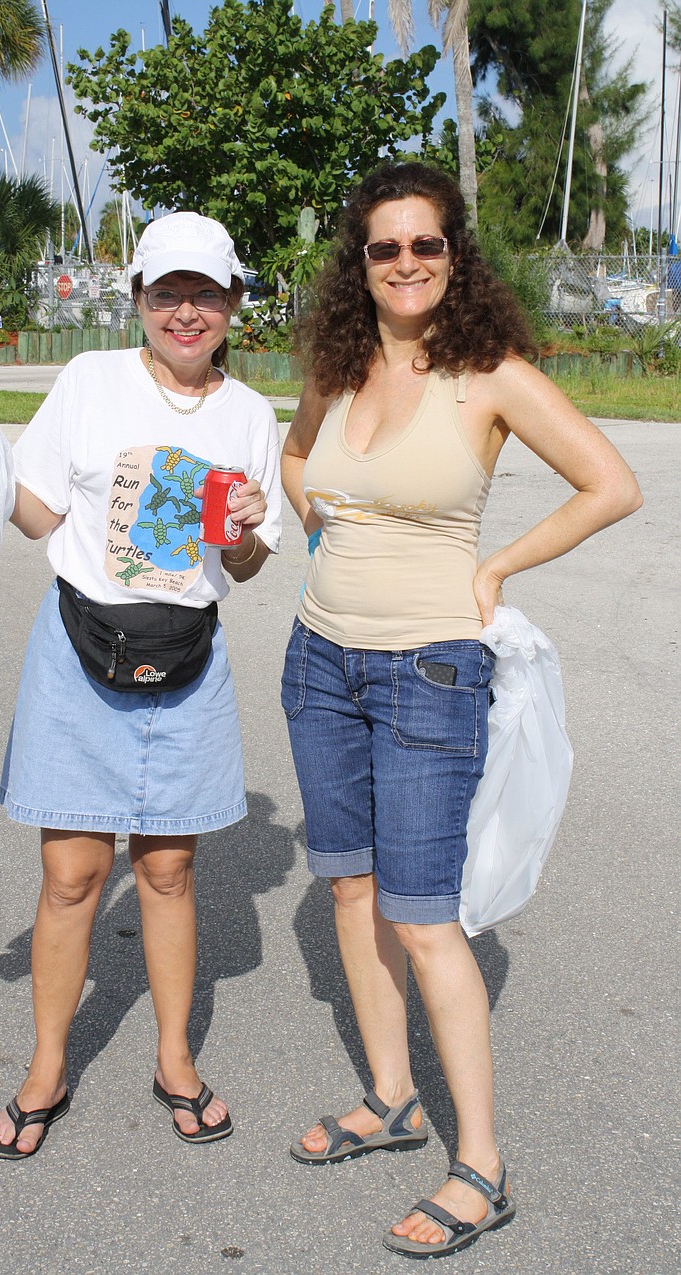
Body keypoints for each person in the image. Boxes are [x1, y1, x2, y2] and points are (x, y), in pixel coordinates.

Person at [280, 163, 641, 1258]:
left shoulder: (488, 374)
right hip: (317, 660)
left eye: (423, 245)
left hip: (428, 670)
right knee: (350, 887)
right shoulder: (334, 364)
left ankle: (481, 1166)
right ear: (360, 260)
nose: (404, 264)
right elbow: (296, 457)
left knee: (424, 917)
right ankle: (390, 1099)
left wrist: (494, 570)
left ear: (453, 253)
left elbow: (610, 484)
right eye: (384, 248)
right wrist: (316, 526)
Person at [0, 212, 281, 1158]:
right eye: (167, 293)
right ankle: (46, 1064)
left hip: (186, 657)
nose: (185, 313)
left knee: (167, 867)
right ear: (139, 296)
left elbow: (248, 564)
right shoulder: (89, 380)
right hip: (79, 648)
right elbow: (36, 516)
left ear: (233, 301)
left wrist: (242, 532)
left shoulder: (250, 414)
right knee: (72, 874)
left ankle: (173, 1058)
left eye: (206, 294)